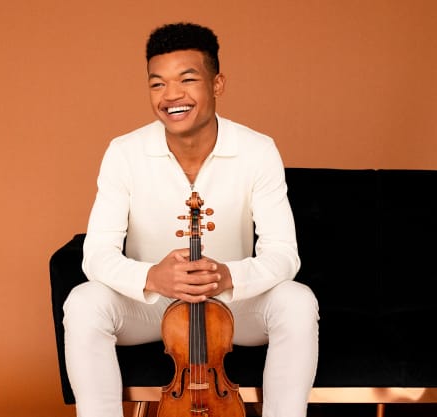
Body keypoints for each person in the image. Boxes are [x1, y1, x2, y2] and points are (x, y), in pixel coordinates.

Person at [63, 22, 319, 417]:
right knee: (83, 302)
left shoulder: (258, 150)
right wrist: (153, 277)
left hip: (231, 305)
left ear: (217, 84)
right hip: (152, 305)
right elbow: (96, 254)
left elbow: (284, 254)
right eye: (157, 84)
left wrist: (228, 276)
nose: (171, 96)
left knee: (297, 300)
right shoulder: (124, 152)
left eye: (187, 79)